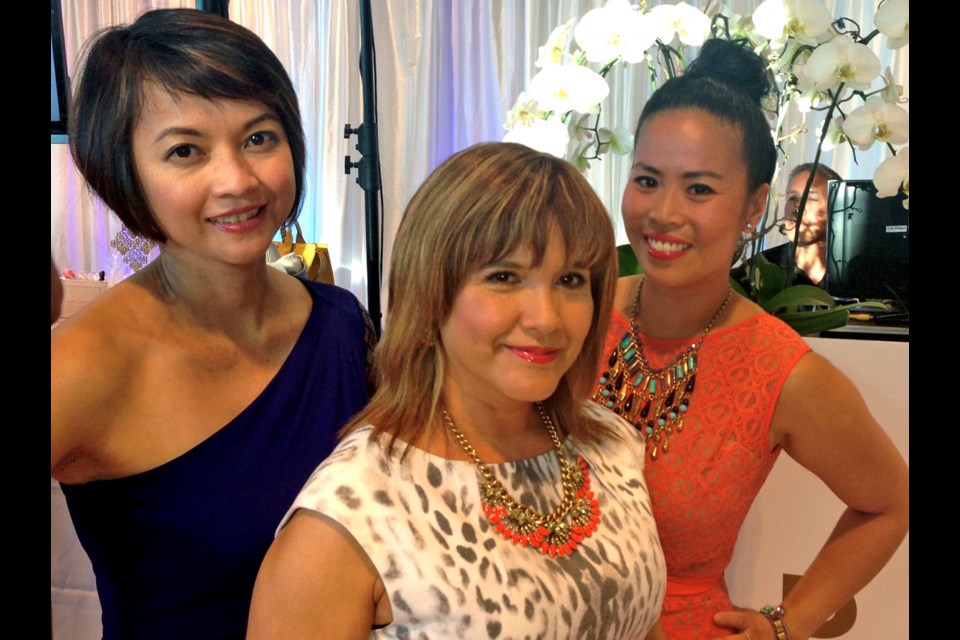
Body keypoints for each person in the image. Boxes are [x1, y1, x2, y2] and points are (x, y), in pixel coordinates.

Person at [248, 142, 666, 639]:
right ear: (429, 295)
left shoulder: (611, 444)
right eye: (505, 277)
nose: (547, 318)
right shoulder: (354, 515)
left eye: (570, 279)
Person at [50, 9, 374, 639]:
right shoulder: (85, 364)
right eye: (185, 151)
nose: (237, 181)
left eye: (258, 137)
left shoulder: (340, 324)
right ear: (125, 173)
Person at [591, 39, 909, 640]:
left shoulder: (781, 371)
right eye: (648, 179)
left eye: (700, 189)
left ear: (754, 205)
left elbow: (889, 504)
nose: (663, 212)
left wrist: (786, 625)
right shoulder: (576, 310)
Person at [732, 162, 842, 289]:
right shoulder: (757, 270)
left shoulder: (857, 273)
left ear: (836, 207)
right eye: (792, 198)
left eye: (810, 198)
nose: (798, 208)